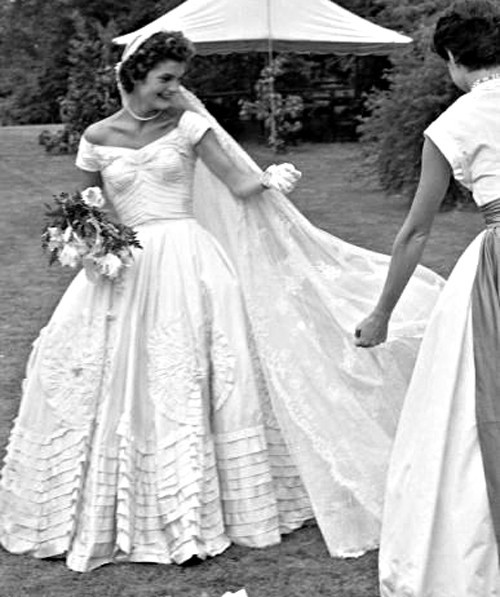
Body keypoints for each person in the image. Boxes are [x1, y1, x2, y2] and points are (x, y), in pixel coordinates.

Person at [0, 30, 443, 573]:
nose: (175, 89)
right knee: (102, 370)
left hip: (188, 259)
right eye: (166, 79)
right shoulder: (95, 136)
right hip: (126, 264)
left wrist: (270, 179)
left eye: (180, 80)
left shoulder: (188, 125)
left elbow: (239, 182)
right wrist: (88, 242)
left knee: (191, 371)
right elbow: (91, 206)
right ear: (135, 75)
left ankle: (205, 504)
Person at [355, 1, 500, 594]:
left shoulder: (454, 124)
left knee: (473, 409)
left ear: (452, 61)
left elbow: (416, 230)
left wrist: (381, 313)